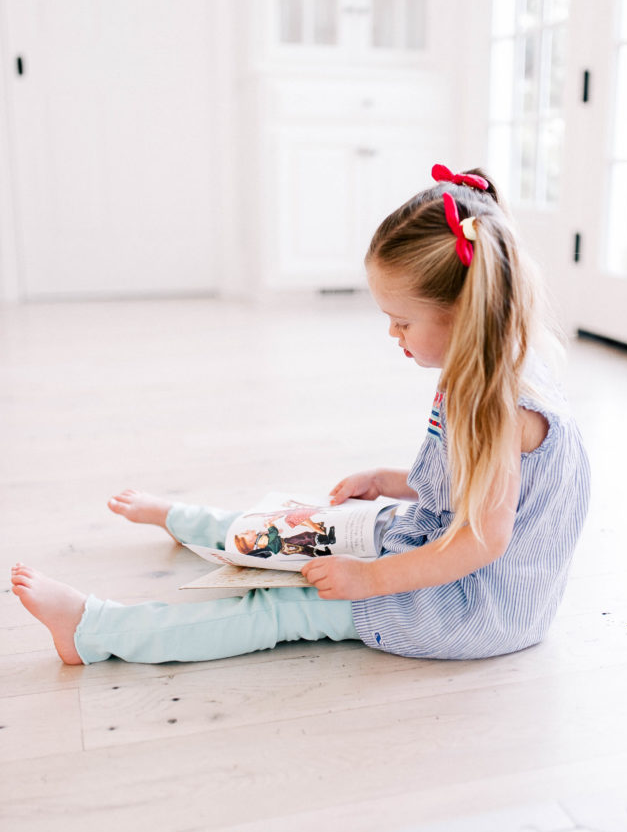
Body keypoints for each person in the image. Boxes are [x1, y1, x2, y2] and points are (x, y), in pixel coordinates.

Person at [10, 163, 590, 665]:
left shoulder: (496, 406)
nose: (391, 332)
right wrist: (392, 482)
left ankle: (94, 630)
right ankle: (192, 522)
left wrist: (370, 580)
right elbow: (483, 488)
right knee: (305, 527)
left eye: (402, 320)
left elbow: (482, 542)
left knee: (280, 609)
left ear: (464, 312)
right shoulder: (498, 359)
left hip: (471, 607)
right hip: (447, 558)